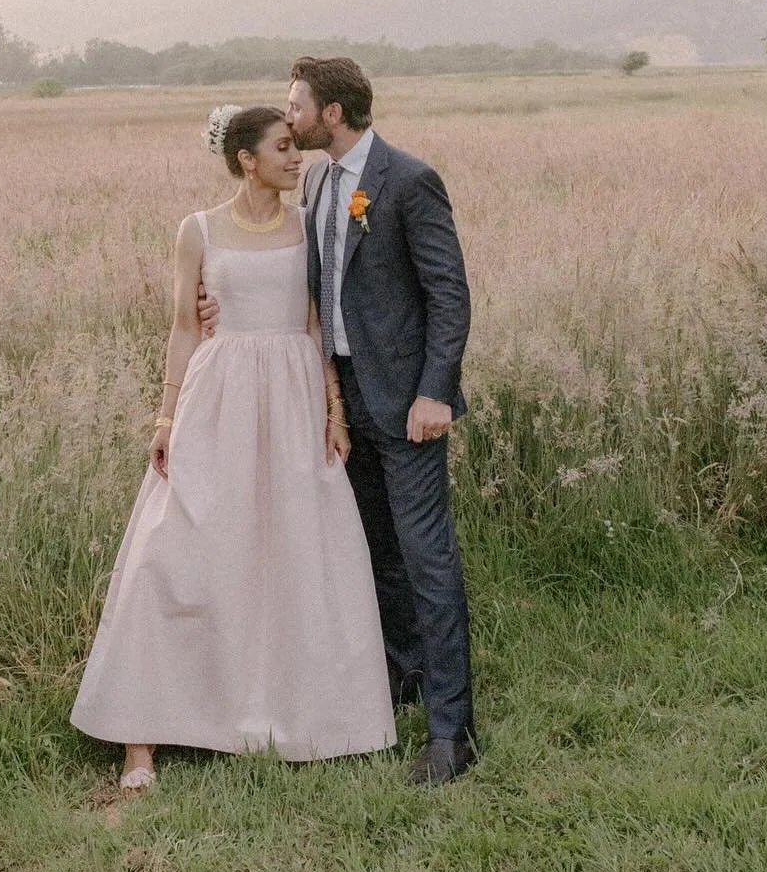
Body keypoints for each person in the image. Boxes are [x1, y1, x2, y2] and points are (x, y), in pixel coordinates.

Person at [70, 104, 396, 790]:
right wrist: (165, 421)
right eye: (282, 148)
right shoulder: (199, 230)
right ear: (247, 158)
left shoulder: (309, 228)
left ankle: (307, 714)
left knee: (298, 550)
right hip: (217, 399)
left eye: (294, 146)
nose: (294, 157)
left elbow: (314, 325)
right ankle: (140, 741)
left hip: (293, 396)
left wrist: (333, 412)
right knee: (173, 553)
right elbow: (184, 327)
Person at [200, 56, 476, 786]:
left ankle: (454, 732)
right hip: (337, 403)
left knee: (428, 559)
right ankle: (399, 676)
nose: (287, 117)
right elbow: (295, 280)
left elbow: (449, 295)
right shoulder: (317, 182)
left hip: (408, 404)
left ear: (330, 113)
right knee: (371, 554)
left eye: (296, 105)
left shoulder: (408, 180)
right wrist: (218, 308)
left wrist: (435, 392)